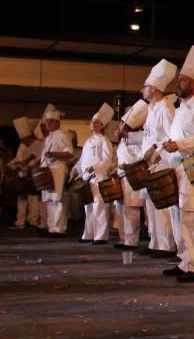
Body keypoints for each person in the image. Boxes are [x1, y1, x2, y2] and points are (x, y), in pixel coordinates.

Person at [159, 46, 194, 282]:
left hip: (193, 168)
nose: (178, 83)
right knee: (179, 217)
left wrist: (179, 145)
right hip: (178, 167)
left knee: (193, 217)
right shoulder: (183, 107)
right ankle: (184, 260)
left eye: (183, 79)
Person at [141, 60, 178, 258]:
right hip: (150, 163)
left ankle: (166, 245)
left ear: (154, 88)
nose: (142, 90)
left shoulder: (165, 108)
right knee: (152, 205)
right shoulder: (152, 109)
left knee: (163, 206)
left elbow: (172, 135)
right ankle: (155, 242)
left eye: (145, 86)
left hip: (162, 161)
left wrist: (156, 149)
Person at [72, 103, 116, 244]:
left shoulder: (104, 140)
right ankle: (89, 234)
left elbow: (107, 160)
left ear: (102, 125)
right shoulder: (88, 141)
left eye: (97, 122)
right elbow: (82, 160)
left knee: (99, 206)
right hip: (87, 178)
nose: (93, 124)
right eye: (92, 121)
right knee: (88, 206)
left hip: (99, 177)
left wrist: (95, 168)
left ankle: (100, 236)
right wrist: (76, 170)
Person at [113, 100, 148, 251]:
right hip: (122, 174)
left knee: (132, 208)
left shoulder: (140, 136)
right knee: (122, 208)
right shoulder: (123, 140)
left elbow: (141, 155)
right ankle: (123, 238)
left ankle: (131, 240)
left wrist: (128, 166)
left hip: (133, 174)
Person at [39, 107, 73, 238]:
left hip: (57, 169)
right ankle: (51, 227)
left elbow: (69, 153)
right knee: (48, 199)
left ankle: (59, 228)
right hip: (48, 170)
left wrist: (53, 154)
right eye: (46, 121)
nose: (47, 124)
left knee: (56, 199)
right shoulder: (48, 137)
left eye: (50, 121)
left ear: (57, 122)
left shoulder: (63, 135)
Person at [10, 118, 43, 230]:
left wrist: (28, 166)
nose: (22, 142)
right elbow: (22, 160)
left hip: (35, 175)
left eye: (23, 139)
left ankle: (33, 221)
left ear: (28, 137)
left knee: (33, 198)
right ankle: (21, 221)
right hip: (25, 175)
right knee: (22, 197)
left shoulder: (39, 144)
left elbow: (39, 159)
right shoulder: (25, 147)